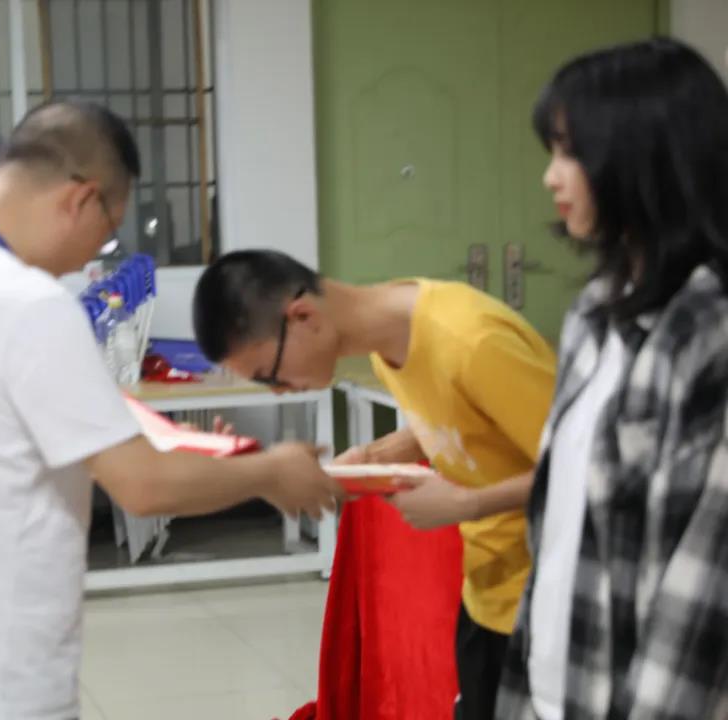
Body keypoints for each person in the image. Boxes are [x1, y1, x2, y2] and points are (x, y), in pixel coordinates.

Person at [0, 101, 342, 720]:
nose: (87, 259)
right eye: (106, 231)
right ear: (82, 199)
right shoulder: (27, 302)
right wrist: (273, 472)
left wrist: (173, 442)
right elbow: (144, 487)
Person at [192, 249, 557, 720]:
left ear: (302, 316)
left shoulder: (469, 340)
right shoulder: (393, 348)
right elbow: (460, 421)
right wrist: (358, 464)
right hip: (488, 597)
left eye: (270, 375)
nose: (279, 390)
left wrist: (467, 504)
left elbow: (586, 467)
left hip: (549, 604)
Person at [495, 37, 728, 720]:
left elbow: (705, 585)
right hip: (559, 684)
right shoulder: (596, 312)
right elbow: (564, 530)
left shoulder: (708, 330)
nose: (550, 177)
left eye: (570, 153)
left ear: (644, 156)